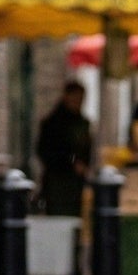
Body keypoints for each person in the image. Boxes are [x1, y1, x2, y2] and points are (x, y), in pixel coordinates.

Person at [35, 81, 92, 217]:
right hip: (58, 183)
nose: (78, 102)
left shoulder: (82, 123)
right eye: (75, 98)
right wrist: (71, 162)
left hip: (76, 184)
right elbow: (45, 152)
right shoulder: (53, 124)